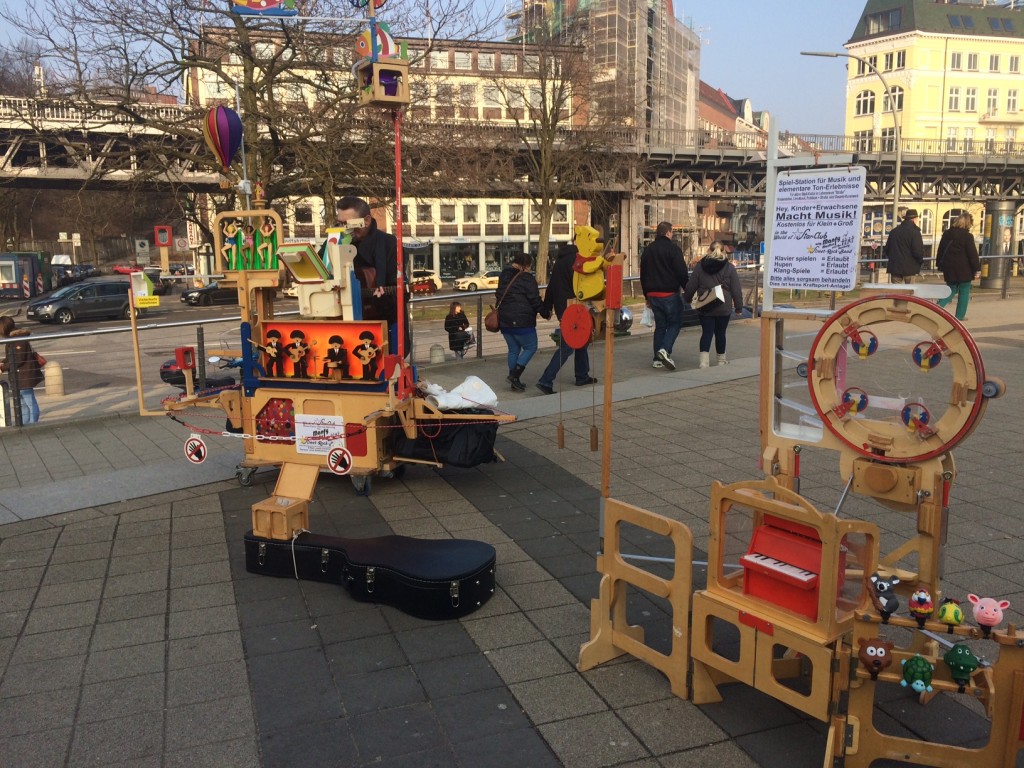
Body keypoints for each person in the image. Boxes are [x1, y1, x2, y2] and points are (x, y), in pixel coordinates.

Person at [336, 195, 409, 352]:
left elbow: (400, 296)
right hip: (347, 332)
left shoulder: (389, 245)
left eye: (348, 224)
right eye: (340, 224)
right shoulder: (339, 243)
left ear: (366, 220)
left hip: (382, 333)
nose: (344, 229)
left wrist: (381, 300)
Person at [536, 242, 596, 394]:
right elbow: (583, 286)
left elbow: (551, 288)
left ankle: (582, 375)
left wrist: (547, 309)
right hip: (575, 308)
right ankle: (546, 380)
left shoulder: (558, 264)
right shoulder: (576, 262)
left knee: (582, 341)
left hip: (562, 309)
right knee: (568, 346)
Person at [684, 241, 745, 369]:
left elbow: (691, 286)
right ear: (723, 252)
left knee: (706, 332)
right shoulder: (729, 268)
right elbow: (736, 290)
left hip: (705, 306)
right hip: (723, 306)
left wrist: (687, 299)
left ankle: (704, 362)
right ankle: (721, 360)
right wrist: (739, 307)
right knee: (720, 333)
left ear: (709, 251)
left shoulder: (700, 266)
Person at [640, 221, 689, 370]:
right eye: (672, 232)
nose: (672, 234)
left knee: (660, 326)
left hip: (653, 294)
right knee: (675, 323)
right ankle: (664, 349)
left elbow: (643, 274)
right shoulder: (673, 249)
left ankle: (657, 359)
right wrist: (688, 289)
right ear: (668, 232)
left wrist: (646, 295)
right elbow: (681, 272)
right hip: (669, 293)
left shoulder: (648, 250)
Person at [495, 252, 548, 391]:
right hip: (522, 321)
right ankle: (514, 376)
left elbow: (499, 294)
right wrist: (545, 313)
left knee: (513, 349)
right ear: (525, 266)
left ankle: (514, 380)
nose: (530, 269)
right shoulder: (526, 278)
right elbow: (535, 300)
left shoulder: (504, 275)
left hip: (504, 320)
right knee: (531, 347)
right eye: (530, 267)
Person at [936, 212, 981, 322]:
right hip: (964, 269)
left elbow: (940, 250)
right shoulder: (967, 236)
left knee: (951, 289)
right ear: (968, 223)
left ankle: (937, 308)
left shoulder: (946, 234)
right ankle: (959, 316)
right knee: (964, 291)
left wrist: (939, 264)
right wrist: (977, 269)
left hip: (949, 268)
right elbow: (972, 255)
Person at [0, 315, 42, 424]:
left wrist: (3, 367)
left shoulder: (18, 340)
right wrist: (2, 363)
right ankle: (26, 424)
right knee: (23, 404)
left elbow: (18, 359)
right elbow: (11, 357)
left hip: (24, 376)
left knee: (29, 403)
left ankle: (33, 425)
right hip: (19, 377)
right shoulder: (13, 339)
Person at [884, 208, 925, 283]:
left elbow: (887, 249)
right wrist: (920, 261)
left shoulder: (894, 231)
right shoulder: (915, 232)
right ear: (914, 219)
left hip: (895, 267)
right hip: (910, 268)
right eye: (917, 219)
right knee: (909, 292)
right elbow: (917, 251)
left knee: (896, 292)